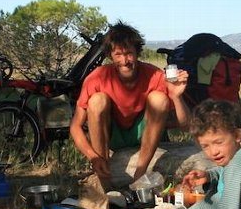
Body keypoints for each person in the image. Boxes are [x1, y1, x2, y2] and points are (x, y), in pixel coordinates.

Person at [70, 21, 190, 186]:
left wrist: (177, 96)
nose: (125, 60)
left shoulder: (154, 75)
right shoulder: (97, 77)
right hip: (113, 135)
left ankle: (140, 173)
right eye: (118, 54)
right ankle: (104, 178)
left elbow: (186, 126)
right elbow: (75, 126)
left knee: (159, 98)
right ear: (110, 56)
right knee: (97, 100)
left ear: (137, 52)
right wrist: (93, 157)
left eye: (129, 53)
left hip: (143, 133)